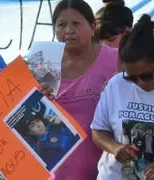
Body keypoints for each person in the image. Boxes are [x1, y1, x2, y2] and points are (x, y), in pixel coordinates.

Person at [91, 14, 154, 180]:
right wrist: (115, 148)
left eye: (146, 76)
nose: (140, 83)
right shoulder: (116, 84)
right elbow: (98, 132)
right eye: (131, 78)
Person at [52, 0, 119, 179]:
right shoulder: (42, 64)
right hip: (54, 173)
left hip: (107, 172)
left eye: (76, 23)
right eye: (61, 25)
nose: (68, 31)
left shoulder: (116, 60)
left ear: (93, 27)